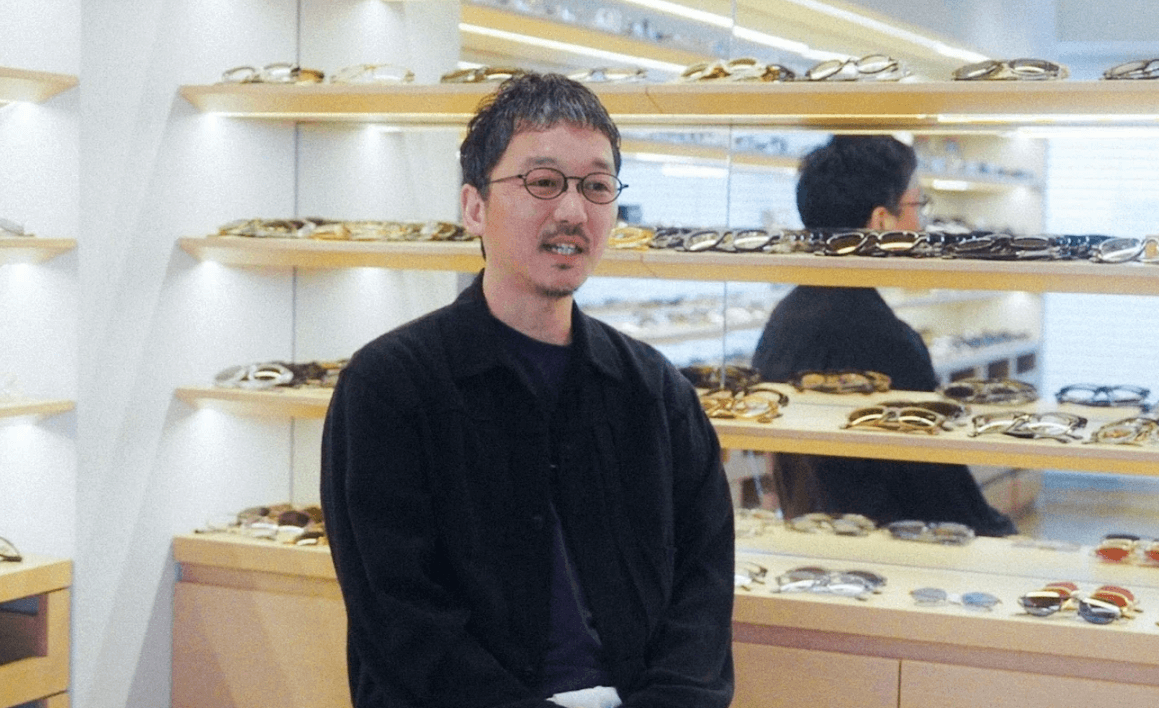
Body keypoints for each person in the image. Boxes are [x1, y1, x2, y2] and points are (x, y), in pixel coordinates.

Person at [321, 73, 734, 708]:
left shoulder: (656, 392)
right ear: (474, 207)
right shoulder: (389, 388)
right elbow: (404, 623)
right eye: (543, 182)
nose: (572, 210)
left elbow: (702, 592)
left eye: (596, 186)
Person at [750, 135, 1016, 537]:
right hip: (885, 543)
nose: (922, 225)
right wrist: (1001, 531)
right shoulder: (887, 340)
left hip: (812, 536)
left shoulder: (783, 319)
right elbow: (939, 489)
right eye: (918, 206)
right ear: (880, 223)